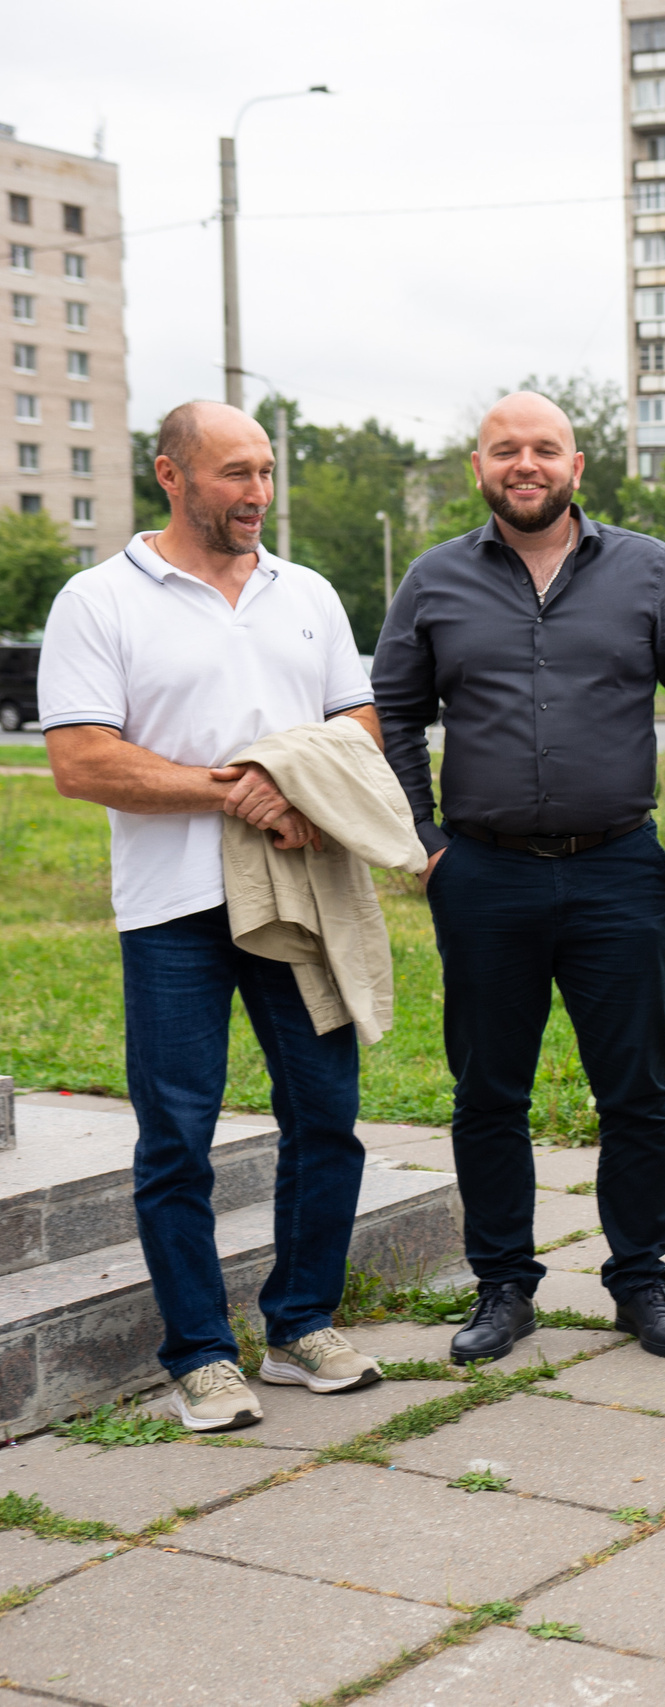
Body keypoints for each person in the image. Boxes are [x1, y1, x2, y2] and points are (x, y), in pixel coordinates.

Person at [40, 400, 385, 1430]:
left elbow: (357, 720)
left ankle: (300, 1326)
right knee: (177, 1137)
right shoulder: (99, 601)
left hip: (298, 894)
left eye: (268, 472)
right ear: (172, 476)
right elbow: (82, 759)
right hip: (173, 910)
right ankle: (199, 1354)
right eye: (236, 473)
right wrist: (233, 790)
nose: (257, 495)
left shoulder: (307, 592)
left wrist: (292, 784)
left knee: (325, 1117)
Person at [376, 392, 665, 1365]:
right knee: (489, 1088)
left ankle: (641, 1282)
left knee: (637, 1088)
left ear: (577, 466)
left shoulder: (648, 570)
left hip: (618, 868)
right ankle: (502, 1287)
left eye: (543, 450)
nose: (523, 465)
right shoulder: (434, 579)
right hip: (482, 874)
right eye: (503, 451)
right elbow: (392, 713)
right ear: (478, 469)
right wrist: (420, 832)